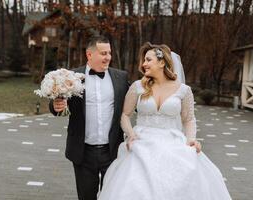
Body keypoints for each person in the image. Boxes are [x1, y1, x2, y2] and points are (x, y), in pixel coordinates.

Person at [98, 42, 231, 200]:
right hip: (141, 143)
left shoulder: (184, 90)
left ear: (162, 63)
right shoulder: (137, 87)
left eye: (148, 60)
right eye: (144, 60)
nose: (144, 64)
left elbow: (188, 119)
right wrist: (130, 134)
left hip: (172, 142)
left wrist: (191, 140)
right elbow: (125, 115)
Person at [49, 35, 129, 200]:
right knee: (86, 197)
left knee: (112, 196)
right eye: (103, 53)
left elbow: (134, 103)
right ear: (89, 55)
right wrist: (56, 106)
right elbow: (57, 101)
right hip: (83, 152)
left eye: (109, 53)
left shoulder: (120, 78)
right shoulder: (71, 76)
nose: (108, 57)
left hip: (112, 151)